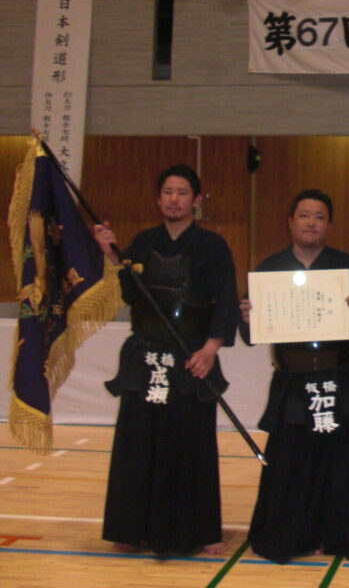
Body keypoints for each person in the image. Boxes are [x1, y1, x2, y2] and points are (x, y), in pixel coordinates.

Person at [92, 164, 238, 555]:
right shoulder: (142, 242)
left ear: (196, 200)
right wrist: (111, 254)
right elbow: (130, 294)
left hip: (191, 356)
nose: (175, 199)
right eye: (168, 192)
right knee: (138, 443)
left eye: (182, 193)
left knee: (193, 444)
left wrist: (210, 349)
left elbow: (226, 299)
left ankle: (203, 531)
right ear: (158, 199)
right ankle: (130, 528)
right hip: (146, 355)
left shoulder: (212, 246)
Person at [239, 189, 349, 564]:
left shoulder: (346, 268)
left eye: (319, 216)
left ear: (329, 225)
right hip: (293, 380)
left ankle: (340, 535)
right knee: (290, 464)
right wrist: (248, 318)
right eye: (304, 215)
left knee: (342, 463)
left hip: (339, 377)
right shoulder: (269, 270)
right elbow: (249, 335)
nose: (311, 223)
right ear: (290, 222)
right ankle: (289, 535)